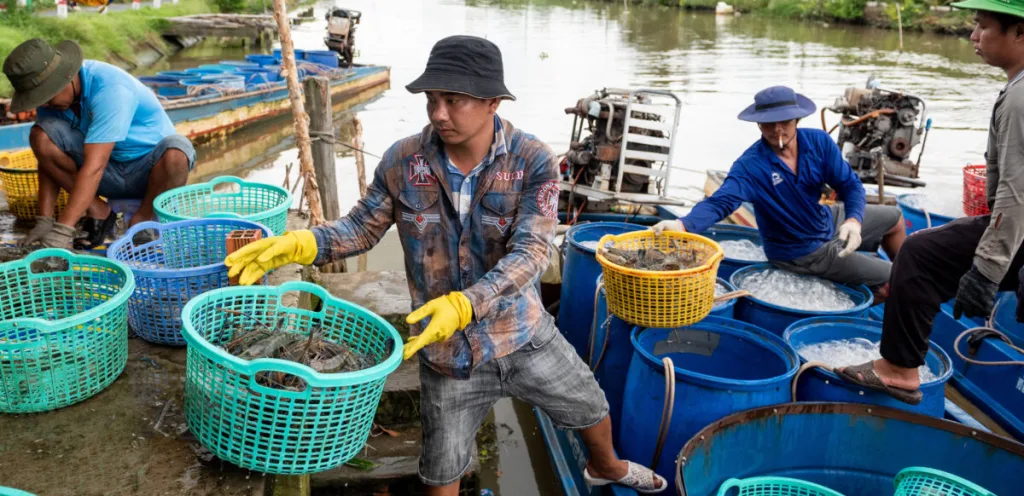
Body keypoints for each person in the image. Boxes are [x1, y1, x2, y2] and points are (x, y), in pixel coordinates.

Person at [223, 35, 666, 494]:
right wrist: (302, 243)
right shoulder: (401, 160)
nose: (438, 113)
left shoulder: (532, 160)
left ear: (492, 101)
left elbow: (533, 251)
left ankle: (608, 468)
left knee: (590, 407)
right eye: (432, 100)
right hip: (445, 349)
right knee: (442, 467)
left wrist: (469, 303)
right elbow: (360, 229)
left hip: (522, 332)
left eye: (453, 101)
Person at [838, 0, 1024, 405]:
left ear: (1020, 32)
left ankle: (899, 371)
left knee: (920, 254)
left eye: (983, 26)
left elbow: (1015, 191)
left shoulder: (1020, 97)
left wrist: (988, 269)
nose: (973, 36)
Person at [651, 85, 906, 298]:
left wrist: (853, 220)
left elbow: (850, 185)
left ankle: (905, 277)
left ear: (797, 120)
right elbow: (721, 201)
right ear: (758, 125)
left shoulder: (818, 142)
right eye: (768, 124)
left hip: (825, 219)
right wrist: (684, 225)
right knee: (896, 280)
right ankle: (858, 303)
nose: (777, 130)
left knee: (894, 219)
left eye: (784, 122)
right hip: (801, 250)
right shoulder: (751, 165)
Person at [2, 39, 195, 250]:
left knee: (177, 150)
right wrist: (45, 221)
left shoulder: (111, 89)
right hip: (107, 173)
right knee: (41, 135)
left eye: (47, 97)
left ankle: (143, 219)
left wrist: (62, 231)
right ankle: (99, 211)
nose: (44, 104)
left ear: (66, 78)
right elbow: (47, 161)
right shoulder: (54, 101)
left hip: (149, 174)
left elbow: (95, 167)